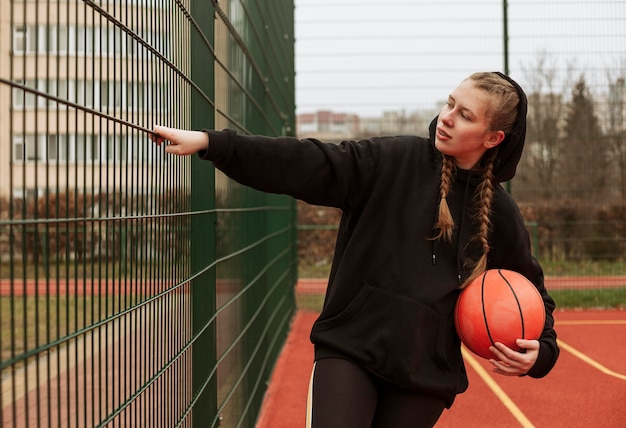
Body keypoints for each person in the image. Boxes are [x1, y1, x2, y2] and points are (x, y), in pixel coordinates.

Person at [152, 72, 559, 428]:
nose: (447, 117)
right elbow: (304, 161)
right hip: (350, 350)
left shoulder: (501, 214)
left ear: (493, 138)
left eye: (465, 115)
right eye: (450, 103)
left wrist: (540, 353)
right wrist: (212, 143)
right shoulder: (392, 160)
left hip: (424, 376)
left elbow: (532, 293)